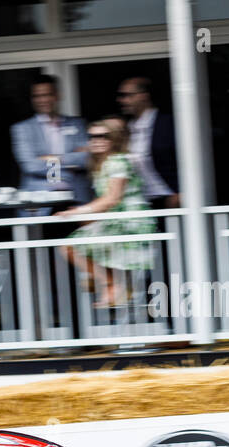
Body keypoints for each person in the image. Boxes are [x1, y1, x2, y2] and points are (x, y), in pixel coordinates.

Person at [57, 118, 157, 308]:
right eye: (92, 136)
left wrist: (80, 211)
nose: (96, 140)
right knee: (74, 247)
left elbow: (112, 198)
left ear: (114, 139)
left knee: (70, 247)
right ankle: (114, 285)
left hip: (130, 223)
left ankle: (112, 285)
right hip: (116, 220)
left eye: (103, 136)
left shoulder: (117, 161)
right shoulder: (103, 163)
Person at [10, 75, 92, 205]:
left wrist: (48, 158)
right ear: (32, 99)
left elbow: (86, 158)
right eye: (37, 96)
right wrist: (71, 160)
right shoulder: (22, 129)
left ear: (57, 96)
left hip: (77, 197)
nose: (43, 100)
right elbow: (30, 166)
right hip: (39, 200)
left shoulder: (78, 124)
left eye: (47, 94)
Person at [118, 77, 179, 208]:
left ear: (144, 96)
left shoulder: (168, 123)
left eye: (126, 95)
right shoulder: (127, 127)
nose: (121, 100)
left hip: (170, 199)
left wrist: (181, 192)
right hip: (140, 202)